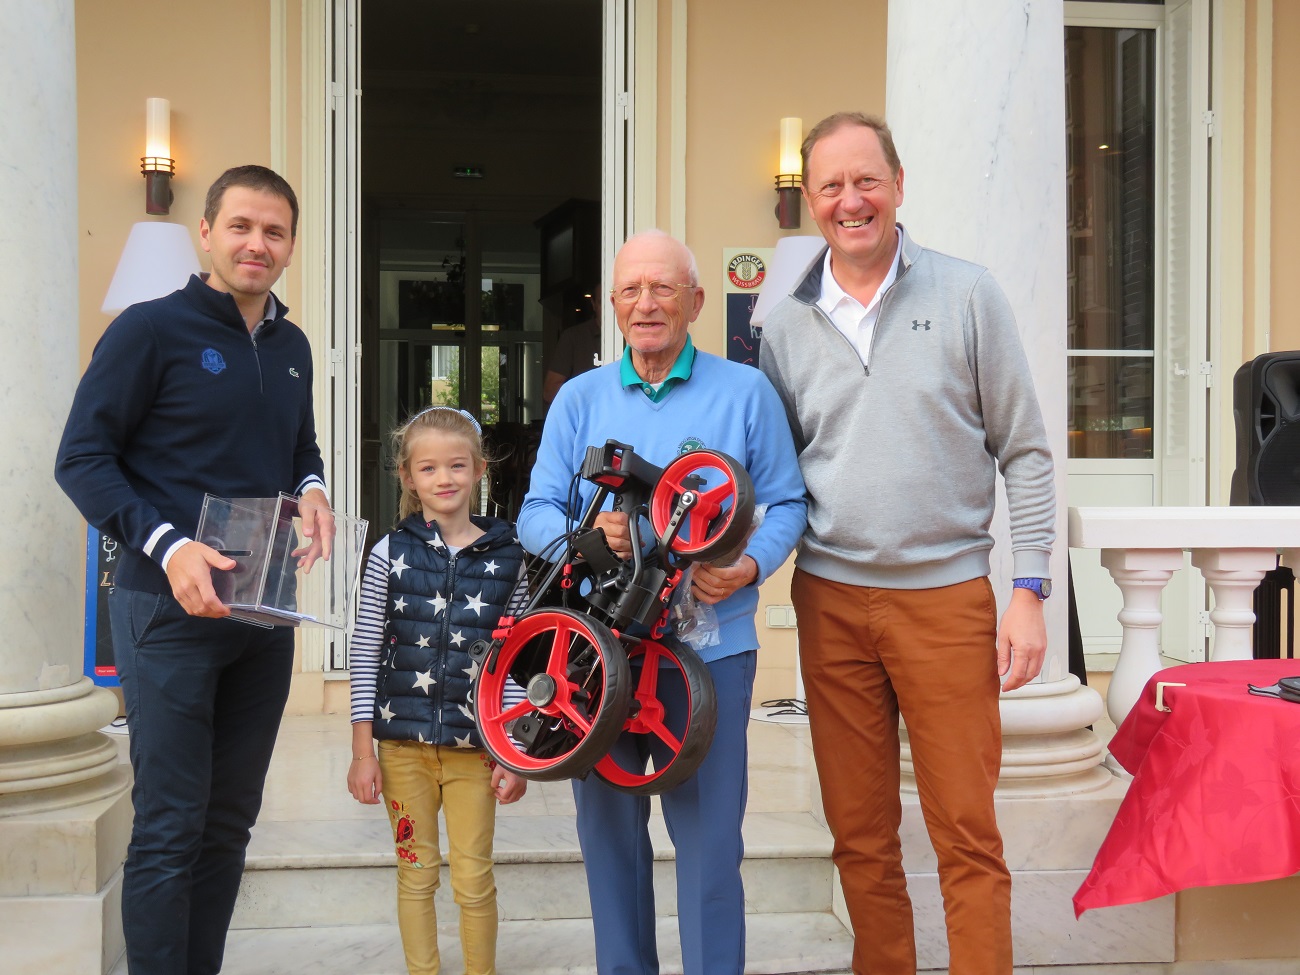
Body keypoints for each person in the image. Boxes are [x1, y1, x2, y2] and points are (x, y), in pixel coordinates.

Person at [758, 113, 1055, 975]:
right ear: (812, 199)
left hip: (946, 602)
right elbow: (776, 475)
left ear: (897, 184)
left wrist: (1030, 588)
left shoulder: (967, 294)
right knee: (859, 833)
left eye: (866, 180)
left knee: (967, 831)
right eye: (831, 186)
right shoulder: (784, 325)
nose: (850, 201)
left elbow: (1026, 450)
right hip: (831, 602)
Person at [54, 165, 336, 975]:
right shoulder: (148, 331)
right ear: (206, 233)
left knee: (228, 825)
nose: (257, 243)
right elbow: (82, 459)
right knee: (170, 825)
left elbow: (299, 446)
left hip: (262, 614)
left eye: (274, 231)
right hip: (166, 610)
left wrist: (314, 488)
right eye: (241, 225)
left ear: (291, 247)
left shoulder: (292, 347)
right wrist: (170, 544)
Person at [518, 229, 807, 975]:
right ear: (613, 304)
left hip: (709, 652)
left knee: (710, 844)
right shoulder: (579, 399)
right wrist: (590, 539)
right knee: (609, 841)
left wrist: (747, 565)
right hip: (596, 655)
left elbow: (786, 502)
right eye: (631, 290)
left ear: (696, 301)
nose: (646, 304)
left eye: (663, 288)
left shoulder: (745, 392)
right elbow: (535, 513)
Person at [346, 405, 528, 975]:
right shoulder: (388, 552)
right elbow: (365, 649)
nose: (443, 478)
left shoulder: (511, 558)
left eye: (456, 465)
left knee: (473, 879)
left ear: (479, 470)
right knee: (415, 873)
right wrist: (362, 752)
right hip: (402, 752)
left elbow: (516, 662)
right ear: (407, 477)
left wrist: (515, 753)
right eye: (428, 468)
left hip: (478, 751)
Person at [542, 293, 602, 406]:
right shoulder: (574, 337)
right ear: (593, 304)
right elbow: (550, 391)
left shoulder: (633, 336)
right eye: (602, 302)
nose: (609, 308)